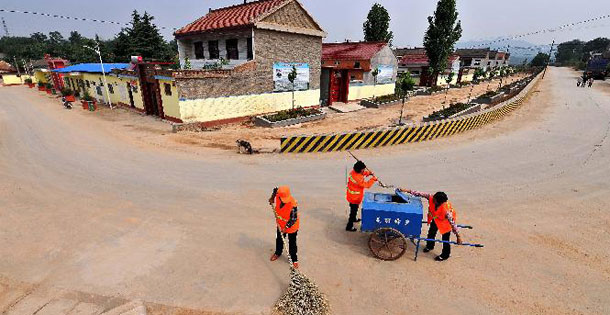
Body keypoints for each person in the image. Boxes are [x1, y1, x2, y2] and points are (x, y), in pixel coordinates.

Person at [399, 188, 463, 261]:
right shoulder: (432, 197)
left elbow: (453, 223)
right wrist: (406, 190)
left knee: (445, 240)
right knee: (431, 233)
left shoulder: (447, 211)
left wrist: (458, 237)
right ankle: (430, 246)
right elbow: (419, 193)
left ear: (439, 202)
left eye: (435, 200)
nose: (433, 200)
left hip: (445, 223)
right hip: (436, 219)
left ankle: (445, 255)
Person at [269, 186, 300, 269]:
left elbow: (293, 219)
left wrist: (286, 228)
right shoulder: (278, 194)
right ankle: (278, 253)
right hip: (280, 224)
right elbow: (275, 190)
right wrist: (272, 198)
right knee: (279, 239)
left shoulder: (293, 205)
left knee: (292, 243)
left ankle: (294, 260)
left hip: (291, 226)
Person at [345, 161, 377, 232]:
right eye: (363, 170)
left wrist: (368, 173)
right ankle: (349, 226)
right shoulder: (357, 179)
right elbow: (367, 185)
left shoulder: (353, 172)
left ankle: (354, 219)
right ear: (360, 170)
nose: (364, 171)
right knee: (353, 212)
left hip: (351, 196)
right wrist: (373, 179)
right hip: (354, 198)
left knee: (354, 209)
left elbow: (362, 173)